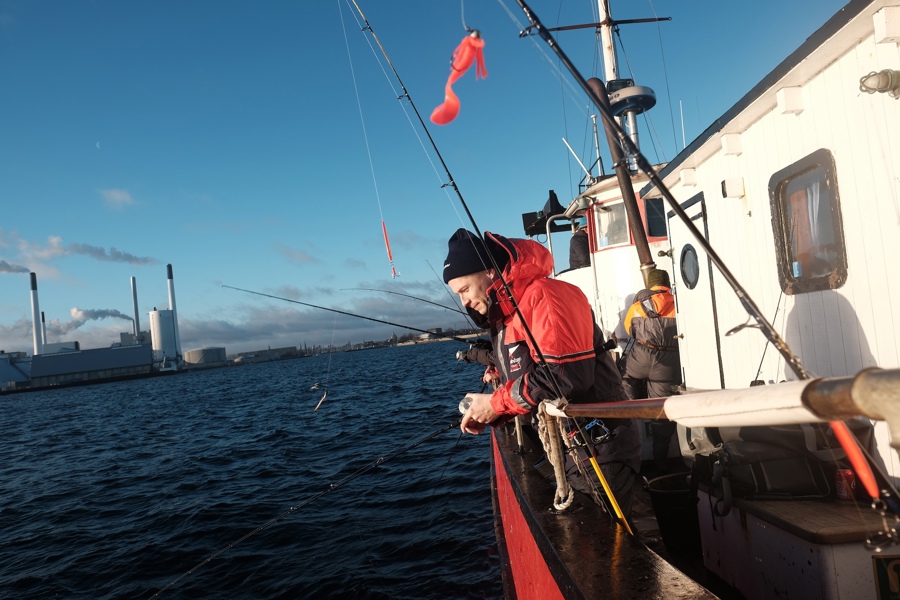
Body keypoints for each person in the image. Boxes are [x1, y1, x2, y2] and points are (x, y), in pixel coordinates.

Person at [443, 228, 641, 516]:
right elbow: (527, 375)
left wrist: (496, 402)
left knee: (613, 541)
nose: (464, 302)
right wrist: (495, 412)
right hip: (573, 446)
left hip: (599, 446)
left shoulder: (546, 297)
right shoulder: (510, 315)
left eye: (465, 290)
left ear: (488, 272)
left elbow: (565, 376)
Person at [621, 268, 682, 470]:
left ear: (651, 285)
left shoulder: (637, 306)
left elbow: (630, 331)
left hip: (641, 358)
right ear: (667, 283)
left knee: (625, 379)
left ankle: (631, 416)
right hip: (668, 363)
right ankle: (661, 461)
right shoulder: (678, 304)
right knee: (661, 410)